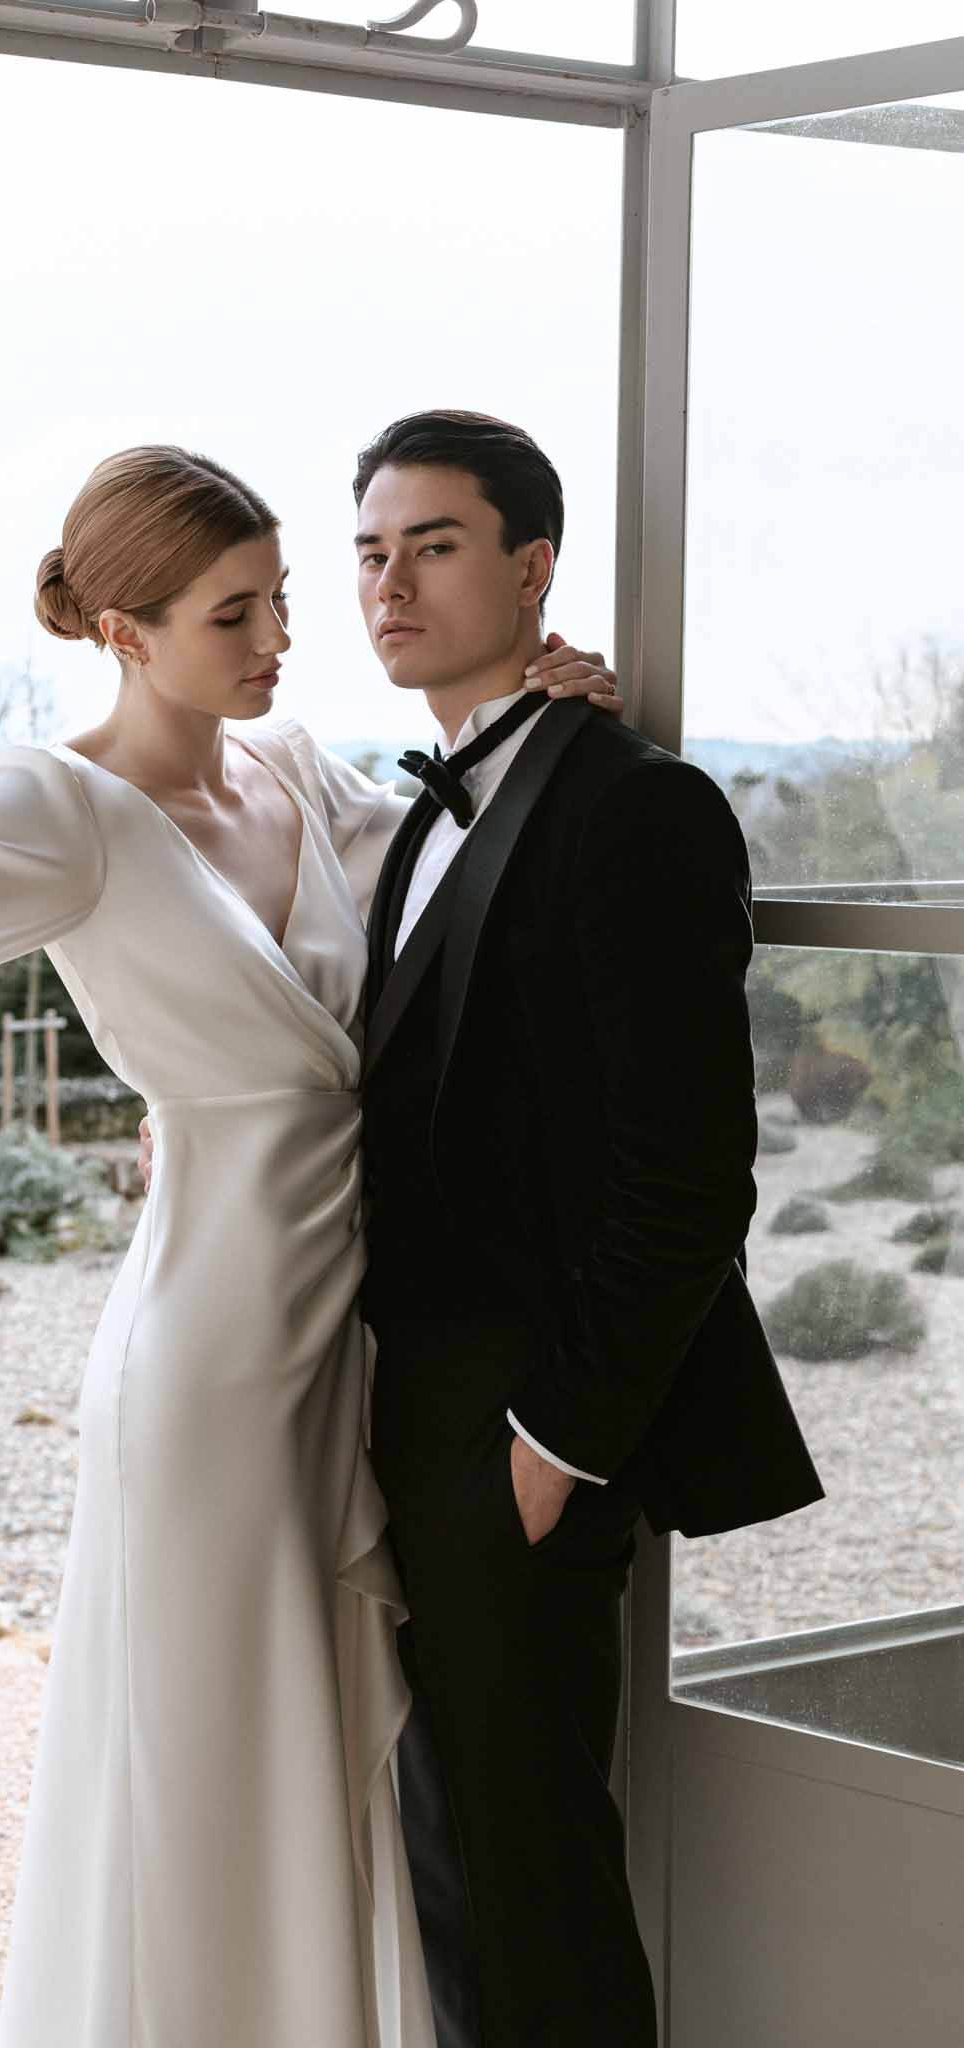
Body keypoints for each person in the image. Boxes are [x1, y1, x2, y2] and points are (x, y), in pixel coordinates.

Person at [0, 446, 620, 2048]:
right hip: (211, 1365)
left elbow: (471, 872)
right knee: (208, 1769)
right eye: (232, 615)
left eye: (281, 598)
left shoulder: (299, 775)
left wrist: (551, 710)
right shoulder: (58, 809)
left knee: (325, 1759)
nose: (279, 638)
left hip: (361, 1344)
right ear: (121, 632)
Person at [352, 410, 826, 2048]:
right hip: (395, 1398)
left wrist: (554, 1446)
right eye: (370, 552)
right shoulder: (421, 804)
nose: (389, 586)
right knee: (450, 1849)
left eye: (434, 546)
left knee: (530, 1867)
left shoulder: (636, 806)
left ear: (531, 567)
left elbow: (688, 1173)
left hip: (519, 1422)